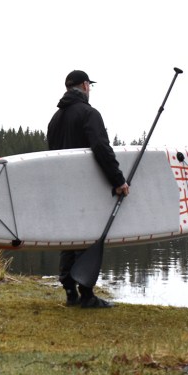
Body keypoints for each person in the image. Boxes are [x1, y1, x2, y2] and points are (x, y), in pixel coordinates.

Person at [47, 70, 129, 309]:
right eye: (89, 86)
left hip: (63, 191)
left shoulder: (54, 119)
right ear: (84, 85)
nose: (89, 89)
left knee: (69, 240)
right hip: (85, 190)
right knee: (86, 238)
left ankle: (70, 293)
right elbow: (102, 149)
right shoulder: (89, 114)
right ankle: (87, 295)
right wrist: (118, 181)